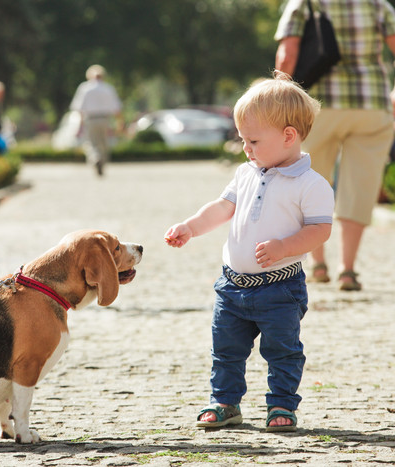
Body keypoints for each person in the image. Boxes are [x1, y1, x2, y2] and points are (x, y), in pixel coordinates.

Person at [164, 73, 334, 432]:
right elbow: (221, 208)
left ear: (289, 136)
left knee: (283, 351)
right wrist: (191, 227)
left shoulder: (311, 184)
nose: (246, 148)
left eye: (253, 140)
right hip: (232, 286)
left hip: (280, 289)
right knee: (225, 350)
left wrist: (285, 247)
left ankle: (282, 405)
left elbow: (321, 230)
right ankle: (225, 402)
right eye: (243, 140)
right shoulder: (245, 173)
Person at [275, 0, 395, 291]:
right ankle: (348, 269)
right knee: (359, 187)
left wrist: (279, 102)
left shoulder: (304, 2)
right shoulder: (377, 4)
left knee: (309, 181)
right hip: (371, 105)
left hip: (315, 107)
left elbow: (287, 56)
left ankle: (317, 264)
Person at [69, 65, 123, 176]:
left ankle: (95, 158)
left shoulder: (84, 88)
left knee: (91, 143)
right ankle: (102, 162)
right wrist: (120, 123)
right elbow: (116, 108)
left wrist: (80, 125)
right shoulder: (108, 88)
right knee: (103, 143)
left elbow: (79, 109)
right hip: (105, 119)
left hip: (91, 119)